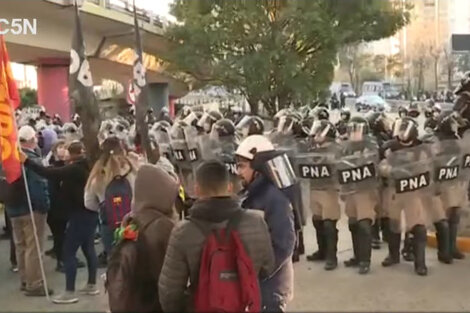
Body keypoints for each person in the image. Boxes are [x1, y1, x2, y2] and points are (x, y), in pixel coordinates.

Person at [159, 160, 274, 312]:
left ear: (197, 190)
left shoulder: (183, 232)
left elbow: (169, 293)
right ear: (229, 188)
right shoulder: (256, 222)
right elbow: (268, 268)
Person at [22, 141, 99, 303]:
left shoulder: (73, 169)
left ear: (72, 154)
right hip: (90, 213)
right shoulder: (88, 166)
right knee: (88, 248)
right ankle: (92, 284)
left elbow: (50, 174)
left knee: (68, 251)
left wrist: (27, 162)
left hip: (79, 214)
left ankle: (69, 292)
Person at [107, 164, 179, 312]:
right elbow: (170, 278)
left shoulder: (130, 220)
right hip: (153, 303)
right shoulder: (162, 226)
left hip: (132, 302)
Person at [235, 135, 296, 312]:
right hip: (257, 286)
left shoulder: (274, 199)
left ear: (259, 169)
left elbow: (284, 243)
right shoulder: (250, 194)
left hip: (271, 289)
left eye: (242, 166)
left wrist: (259, 272)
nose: (238, 172)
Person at [7, 125, 52, 297]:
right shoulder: (31, 160)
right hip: (31, 208)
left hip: (13, 208)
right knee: (34, 247)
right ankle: (34, 284)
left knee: (21, 246)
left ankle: (25, 280)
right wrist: (44, 206)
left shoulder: (8, 159)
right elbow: (39, 185)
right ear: (32, 140)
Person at [84, 137, 139, 260]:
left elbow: (88, 203)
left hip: (108, 225)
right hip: (132, 222)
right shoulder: (131, 170)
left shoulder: (97, 176)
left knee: (114, 262)